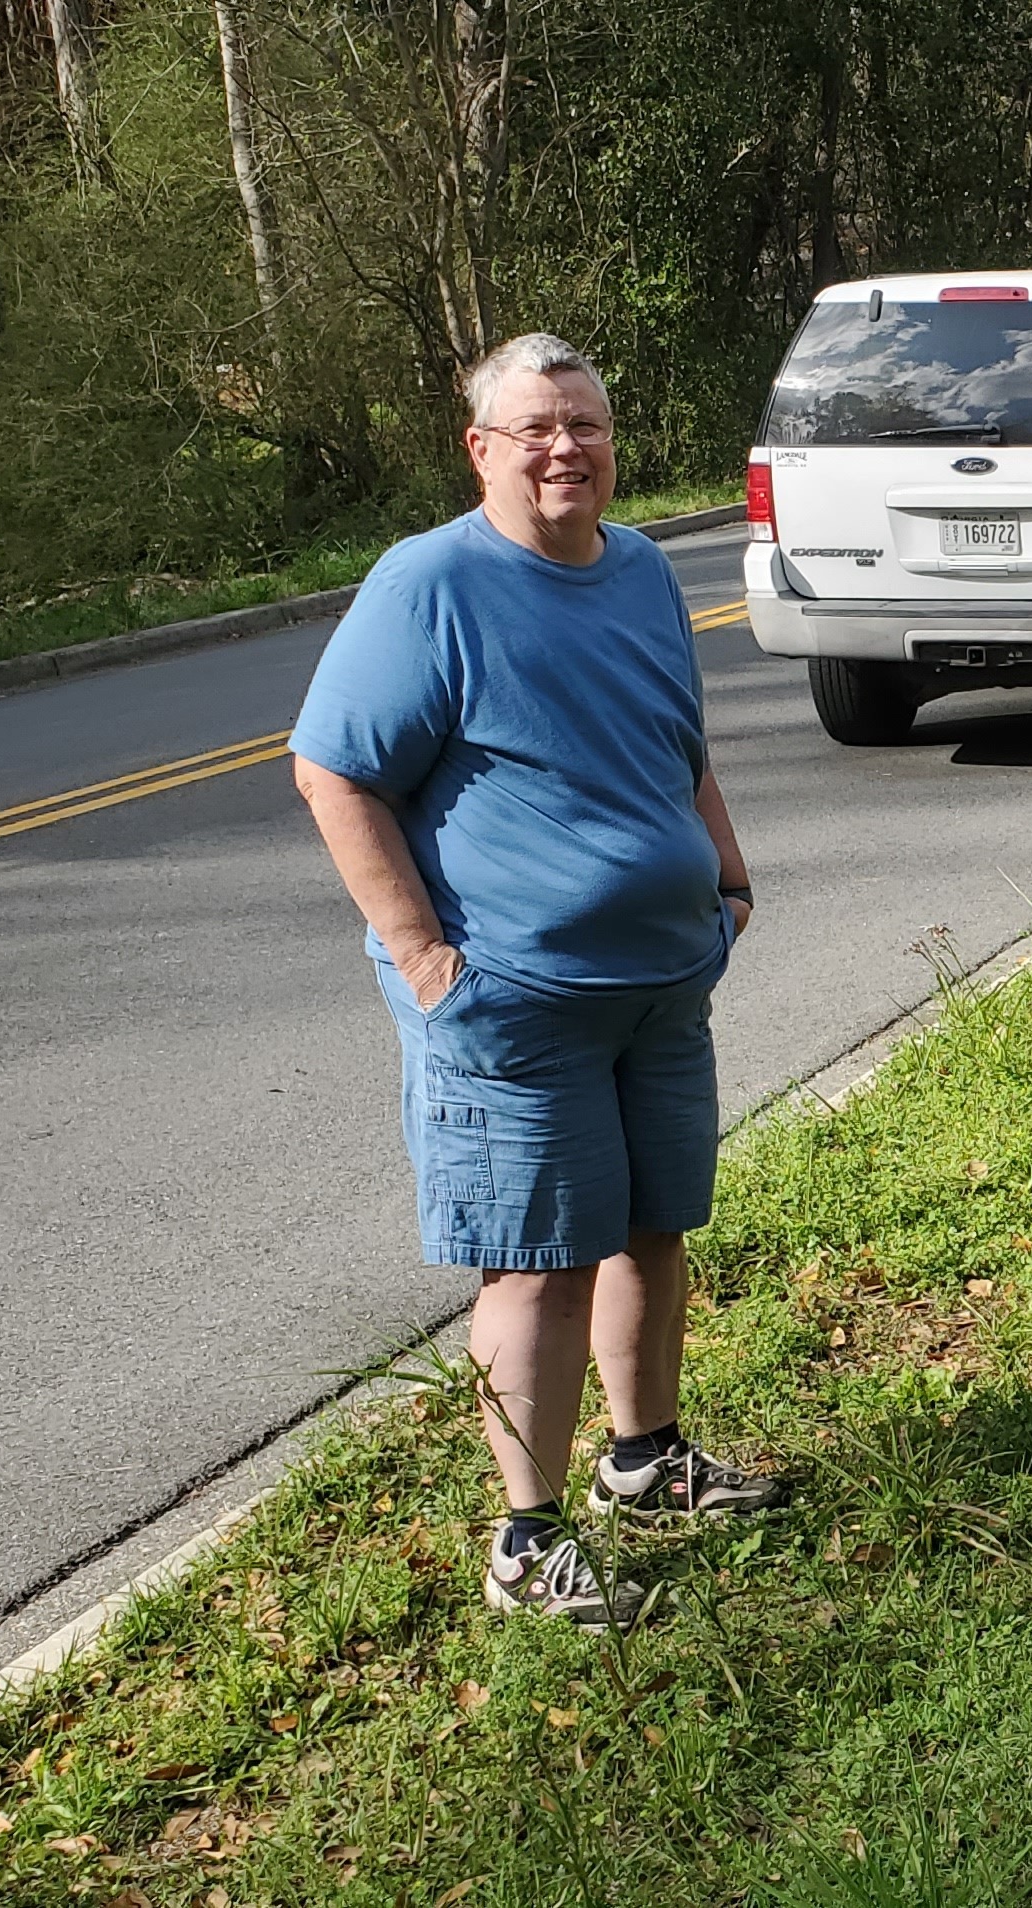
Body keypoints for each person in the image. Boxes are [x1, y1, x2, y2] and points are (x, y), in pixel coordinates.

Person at [289, 332, 781, 1632]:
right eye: (537, 429)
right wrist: (427, 962)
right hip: (514, 1004)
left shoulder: (639, 570)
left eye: (587, 425)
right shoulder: (430, 585)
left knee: (651, 1228)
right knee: (537, 1264)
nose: (566, 447)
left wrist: (726, 878)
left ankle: (646, 1460)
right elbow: (335, 772)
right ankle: (528, 1538)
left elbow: (680, 741)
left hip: (664, 980)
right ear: (483, 450)